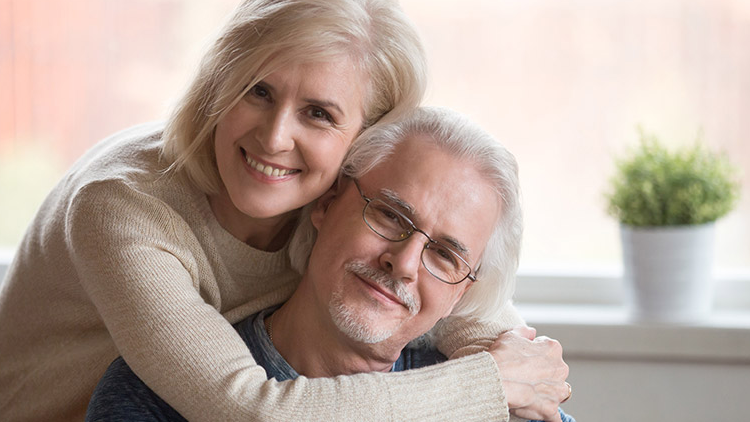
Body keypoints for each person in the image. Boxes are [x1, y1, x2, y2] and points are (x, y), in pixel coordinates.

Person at [0, 0, 569, 422]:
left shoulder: (334, 205)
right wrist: (488, 385)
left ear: (361, 143)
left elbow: (459, 297)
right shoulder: (121, 208)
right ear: (220, 81)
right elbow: (252, 412)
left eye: (319, 113)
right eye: (258, 90)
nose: (273, 138)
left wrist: (517, 363)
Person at [85, 107, 575, 422]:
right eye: (389, 214)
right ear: (326, 203)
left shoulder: (512, 403)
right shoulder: (153, 397)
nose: (404, 263)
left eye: (444, 255)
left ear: (462, 295)